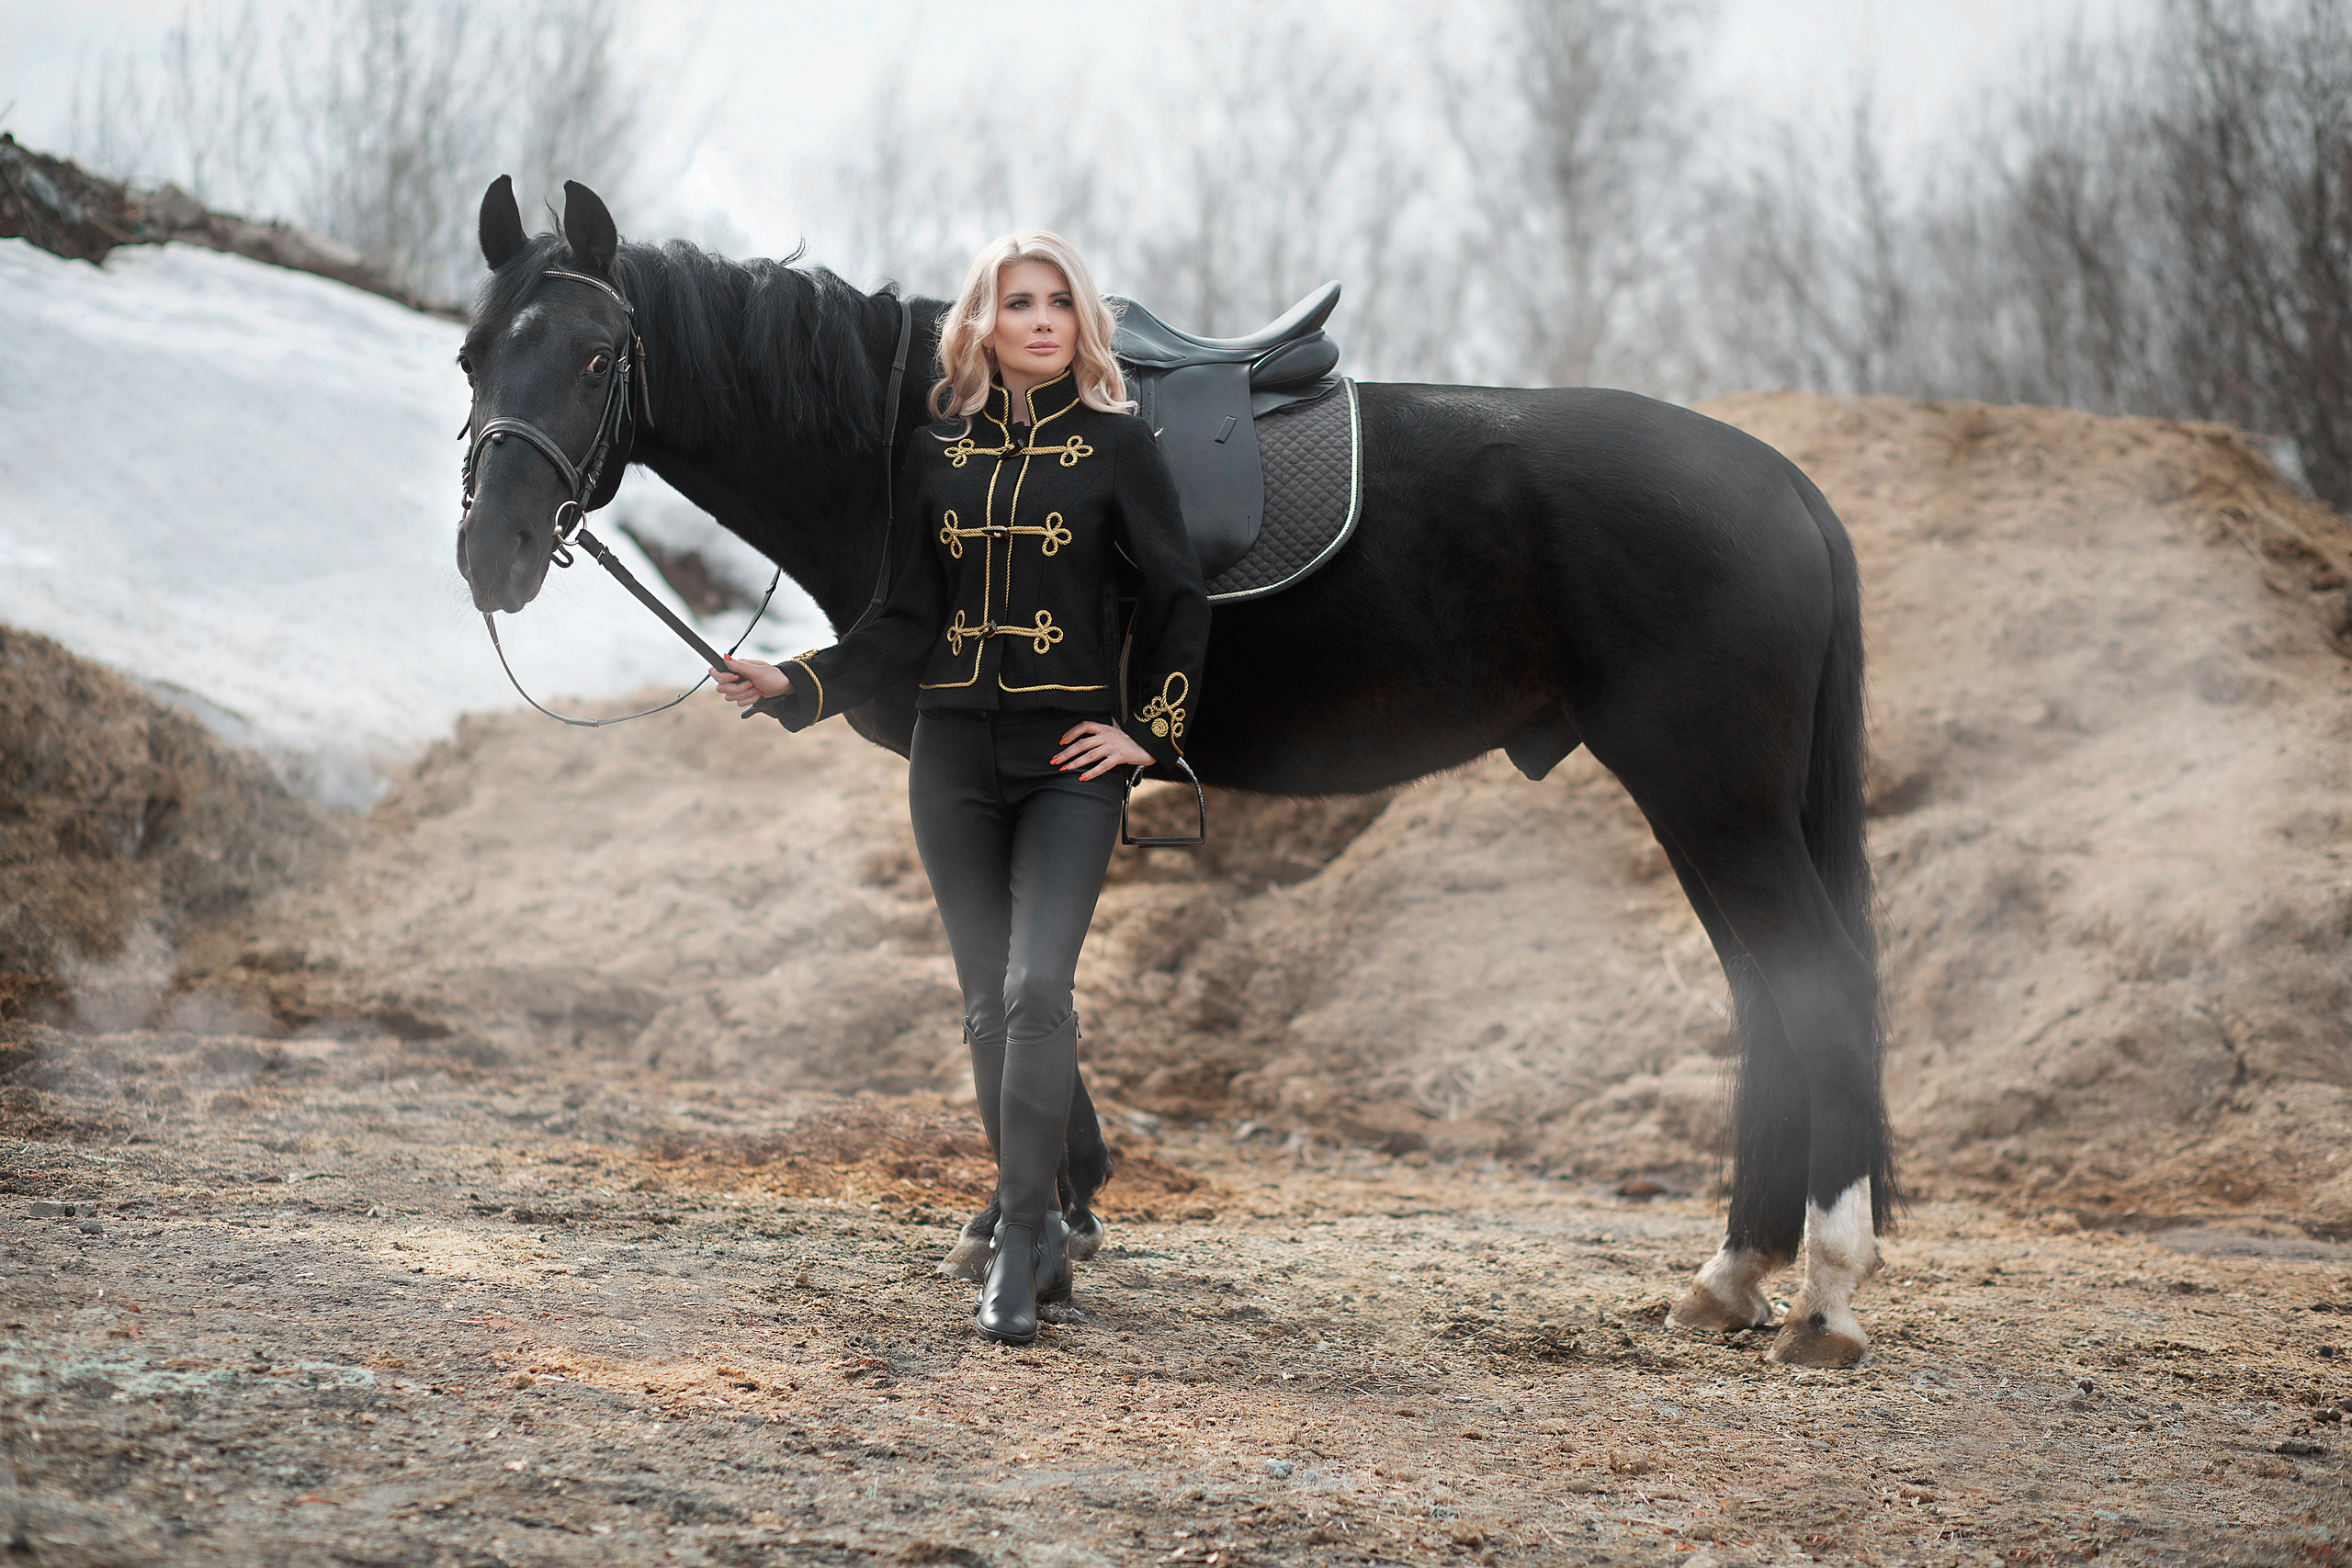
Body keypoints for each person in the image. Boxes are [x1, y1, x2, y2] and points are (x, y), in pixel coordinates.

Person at [713, 232, 1208, 1346]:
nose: (1042, 321)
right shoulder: (933, 453)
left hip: (1069, 766)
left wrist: (1149, 733)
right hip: (951, 761)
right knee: (987, 1001)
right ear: (981, 324)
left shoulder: (1121, 448)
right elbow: (902, 618)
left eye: (1060, 304)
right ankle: (1033, 1231)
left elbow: (1181, 598)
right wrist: (796, 680)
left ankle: (1025, 1235)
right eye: (1018, 303)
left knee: (1037, 987)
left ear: (1083, 324)